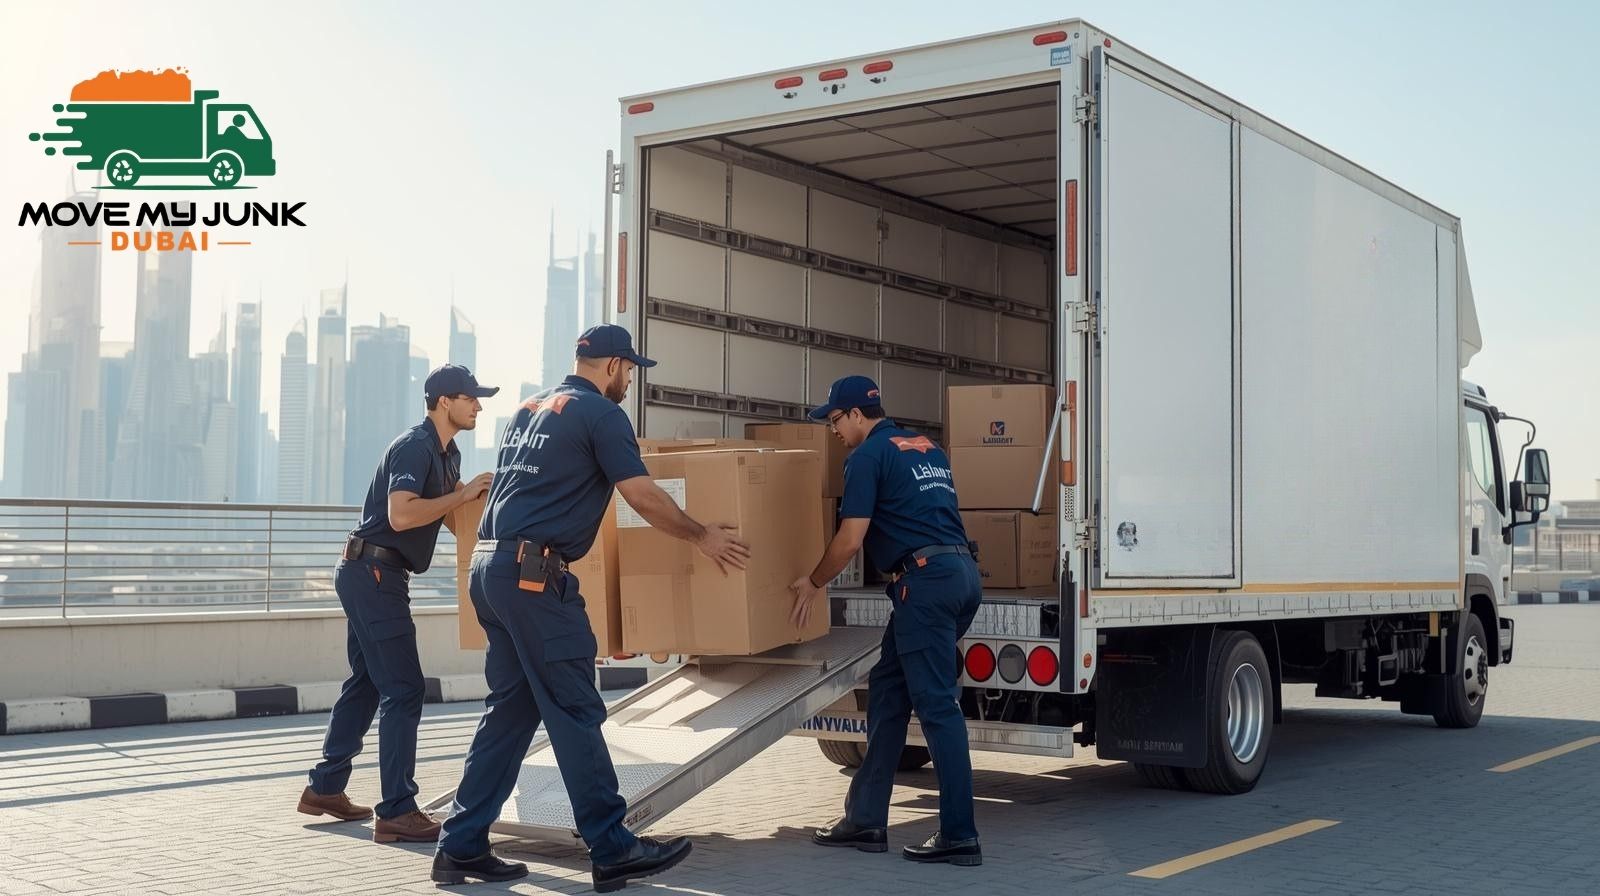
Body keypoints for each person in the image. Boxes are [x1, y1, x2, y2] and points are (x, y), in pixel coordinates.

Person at [433, 324, 751, 890]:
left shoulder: (531, 409)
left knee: (508, 714)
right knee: (576, 709)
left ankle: (460, 846)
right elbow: (642, 494)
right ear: (611, 366)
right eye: (630, 369)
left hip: (490, 569)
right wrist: (702, 535)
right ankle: (612, 845)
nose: (630, 379)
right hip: (533, 577)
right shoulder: (603, 416)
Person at [297, 364, 497, 843]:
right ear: (444, 401)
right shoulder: (415, 445)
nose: (479, 406)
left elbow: (447, 517)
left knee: (368, 681)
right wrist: (462, 493)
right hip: (373, 572)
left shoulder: (448, 453)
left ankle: (325, 788)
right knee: (404, 688)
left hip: (377, 572)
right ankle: (397, 811)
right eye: (471, 398)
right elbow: (402, 513)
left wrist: (484, 518)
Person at [789, 375, 984, 867]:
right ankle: (866, 819)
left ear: (857, 415)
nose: (833, 431)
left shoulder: (868, 457)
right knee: (890, 691)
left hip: (925, 585)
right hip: (959, 574)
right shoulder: (926, 448)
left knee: (938, 709)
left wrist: (813, 582)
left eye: (834, 420)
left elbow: (851, 539)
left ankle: (960, 834)